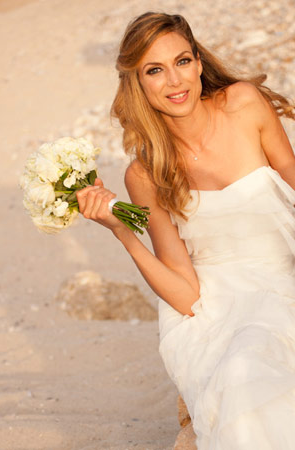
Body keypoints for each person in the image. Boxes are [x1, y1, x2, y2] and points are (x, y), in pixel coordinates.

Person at [76, 12, 295, 449]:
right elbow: (185, 295)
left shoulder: (244, 104)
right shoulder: (144, 174)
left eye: (181, 62)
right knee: (244, 369)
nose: (174, 81)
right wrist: (123, 233)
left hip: (284, 279)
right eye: (154, 70)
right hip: (218, 309)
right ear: (137, 83)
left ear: (198, 62)